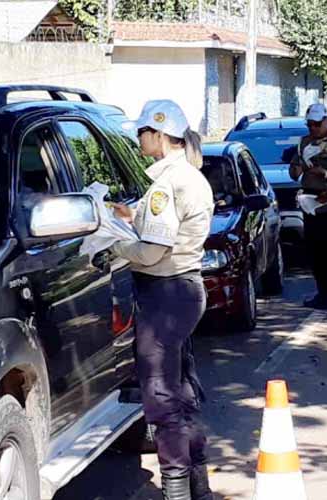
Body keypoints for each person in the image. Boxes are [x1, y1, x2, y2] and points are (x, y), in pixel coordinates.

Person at [111, 100, 215, 500]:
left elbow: (153, 250)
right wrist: (130, 216)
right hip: (185, 289)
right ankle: (198, 485)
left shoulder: (165, 183)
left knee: (160, 395)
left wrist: (115, 250)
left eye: (142, 132)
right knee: (182, 391)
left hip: (164, 293)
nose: (139, 139)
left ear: (157, 134)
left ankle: (176, 489)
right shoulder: (190, 177)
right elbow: (162, 225)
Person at [289, 102, 327, 310]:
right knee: (315, 252)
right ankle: (325, 293)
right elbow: (294, 172)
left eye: (316, 124)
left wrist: (326, 175)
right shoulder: (303, 143)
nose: (312, 129)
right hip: (310, 203)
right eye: (309, 125)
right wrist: (299, 167)